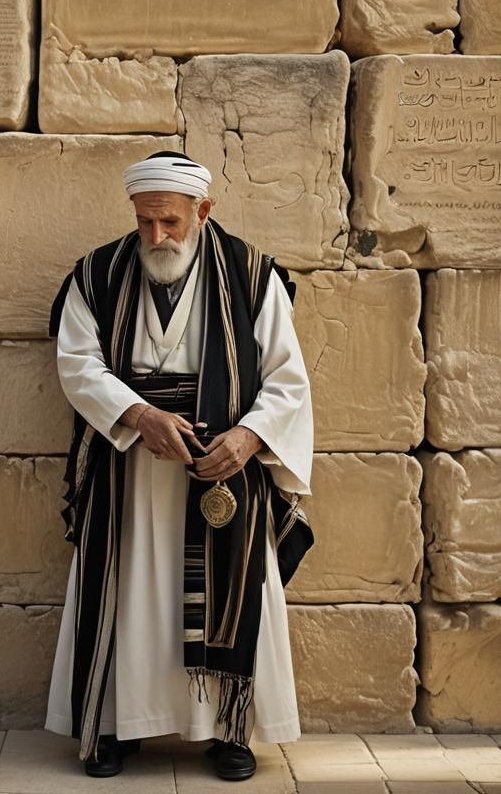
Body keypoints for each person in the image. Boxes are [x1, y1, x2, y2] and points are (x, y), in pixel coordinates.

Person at [44, 151, 315, 782]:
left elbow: (287, 379)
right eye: (143, 222)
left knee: (232, 590)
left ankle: (229, 731)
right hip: (130, 467)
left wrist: (248, 439)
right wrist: (139, 418)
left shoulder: (251, 276)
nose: (154, 237)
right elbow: (78, 364)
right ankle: (115, 727)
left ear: (204, 210)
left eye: (169, 222)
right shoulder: (98, 274)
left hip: (223, 469)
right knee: (124, 591)